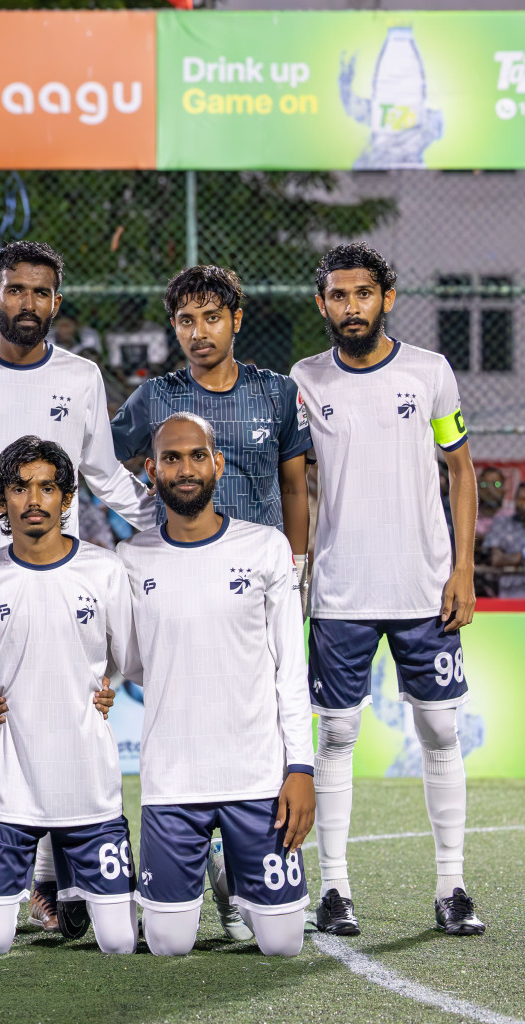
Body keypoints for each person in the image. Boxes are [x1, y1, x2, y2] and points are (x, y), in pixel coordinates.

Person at [0, 240, 151, 928]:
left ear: (57, 301)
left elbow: (103, 472)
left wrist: (160, 525)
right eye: (15, 290)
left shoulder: (78, 378)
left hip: (54, 586)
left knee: (53, 725)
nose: (28, 303)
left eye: (41, 292)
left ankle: (50, 882)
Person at [109, 264, 311, 941]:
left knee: (277, 720)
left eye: (211, 318)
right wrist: (140, 518)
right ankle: (206, 870)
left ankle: (294, 879)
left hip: (258, 587)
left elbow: (293, 487)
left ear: (236, 319)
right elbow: (102, 460)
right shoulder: (154, 399)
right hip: (176, 586)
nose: (199, 332)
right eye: (186, 321)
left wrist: (300, 567)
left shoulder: (276, 394)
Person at [291, 242, 484, 937]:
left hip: (424, 590)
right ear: (322, 305)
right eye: (338, 296)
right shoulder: (305, 380)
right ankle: (336, 890)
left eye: (363, 294)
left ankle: (452, 886)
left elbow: (461, 471)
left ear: (387, 299)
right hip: (340, 591)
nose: (351, 307)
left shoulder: (430, 372)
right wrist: (297, 568)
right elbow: (294, 480)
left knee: (439, 730)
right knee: (337, 734)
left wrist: (462, 569)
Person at [0, 437, 136, 955]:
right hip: (9, 783)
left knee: (120, 943)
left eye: (47, 487)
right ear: (0, 500)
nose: (34, 499)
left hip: (88, 781)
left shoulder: (104, 570)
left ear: (66, 497)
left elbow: (130, 656)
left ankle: (74, 883)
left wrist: (107, 688)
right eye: (19, 488)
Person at [482, 482, 525, 599]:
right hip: (511, 596)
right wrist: (521, 556)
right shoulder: (502, 522)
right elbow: (496, 559)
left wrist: (513, 558)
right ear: (515, 500)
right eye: (522, 499)